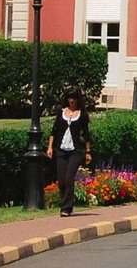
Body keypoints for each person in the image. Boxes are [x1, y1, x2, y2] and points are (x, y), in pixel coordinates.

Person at [46, 88, 93, 216]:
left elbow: (86, 134)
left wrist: (88, 152)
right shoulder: (61, 112)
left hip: (75, 151)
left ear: (78, 100)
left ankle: (66, 208)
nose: (71, 101)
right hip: (61, 150)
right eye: (69, 98)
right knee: (61, 180)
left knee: (69, 178)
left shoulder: (81, 114)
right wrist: (50, 147)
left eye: (74, 98)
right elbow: (54, 131)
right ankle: (64, 200)